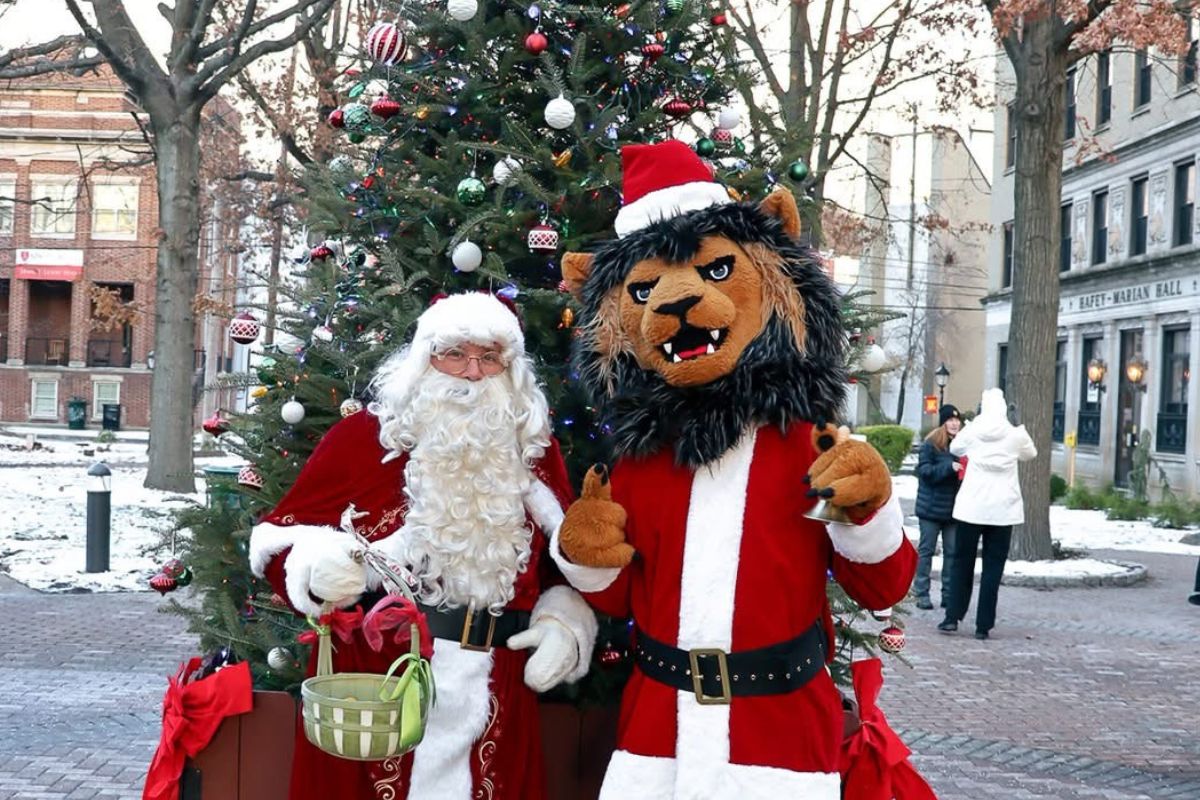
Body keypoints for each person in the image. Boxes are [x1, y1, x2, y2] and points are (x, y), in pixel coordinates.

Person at [549, 140, 920, 799]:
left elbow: (880, 585)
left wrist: (867, 512)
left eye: (717, 271)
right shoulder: (638, 461)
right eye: (644, 290)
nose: (679, 300)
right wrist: (589, 557)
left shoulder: (809, 443)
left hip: (775, 738)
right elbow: (622, 600)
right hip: (655, 738)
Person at [248, 292, 597, 800]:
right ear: (423, 359)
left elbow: (564, 569)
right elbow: (279, 540)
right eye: (455, 353)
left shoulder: (533, 455)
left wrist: (562, 625)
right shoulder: (363, 439)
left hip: (497, 693)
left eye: (489, 356)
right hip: (373, 691)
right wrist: (314, 570)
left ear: (510, 366)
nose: (472, 373)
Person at [938, 388, 1036, 640]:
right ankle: (983, 625)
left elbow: (956, 448)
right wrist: (1018, 427)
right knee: (993, 568)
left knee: (962, 562)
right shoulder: (1013, 435)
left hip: (972, 508)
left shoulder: (972, 431)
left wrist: (971, 425)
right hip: (1003, 511)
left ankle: (952, 617)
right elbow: (1031, 453)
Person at [913, 404, 964, 610]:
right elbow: (925, 471)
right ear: (943, 423)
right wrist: (948, 468)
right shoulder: (931, 444)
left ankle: (948, 595)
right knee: (926, 551)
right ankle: (921, 593)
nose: (954, 423)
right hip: (930, 510)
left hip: (953, 511)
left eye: (957, 420)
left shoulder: (962, 445)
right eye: (950, 420)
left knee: (952, 553)